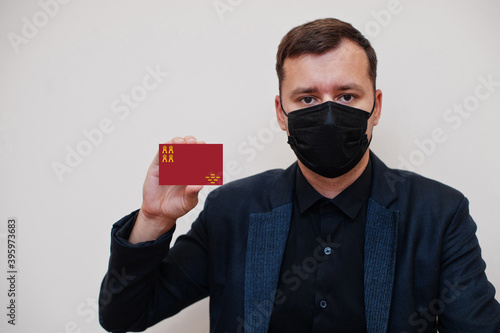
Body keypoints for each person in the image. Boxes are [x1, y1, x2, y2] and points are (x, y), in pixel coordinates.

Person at [99, 18, 500, 333]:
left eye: (346, 96)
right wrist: (153, 220)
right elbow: (123, 316)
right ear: (281, 113)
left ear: (375, 107)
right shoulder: (231, 210)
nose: (327, 115)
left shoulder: (439, 213)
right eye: (307, 98)